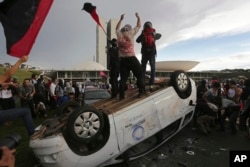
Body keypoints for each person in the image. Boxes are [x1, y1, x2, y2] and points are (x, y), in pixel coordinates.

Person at [0, 56, 35, 136]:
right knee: (25, 111)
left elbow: (8, 76)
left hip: (9, 98)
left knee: (13, 108)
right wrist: (20, 61)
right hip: (4, 98)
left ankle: (9, 121)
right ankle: (33, 135)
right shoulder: (6, 82)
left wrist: (11, 84)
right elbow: (8, 74)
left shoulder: (10, 82)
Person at [116, 13, 145, 100]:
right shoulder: (131, 32)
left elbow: (116, 28)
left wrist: (120, 19)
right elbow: (139, 25)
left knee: (123, 79)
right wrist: (138, 17)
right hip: (131, 58)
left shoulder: (119, 34)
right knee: (140, 75)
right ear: (129, 28)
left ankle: (121, 96)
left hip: (122, 60)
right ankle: (141, 91)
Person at [136, 21, 161, 90]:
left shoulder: (143, 33)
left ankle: (142, 83)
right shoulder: (153, 32)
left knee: (143, 69)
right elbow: (158, 37)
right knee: (153, 69)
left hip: (144, 53)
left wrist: (142, 35)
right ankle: (151, 84)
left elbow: (137, 41)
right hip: (152, 53)